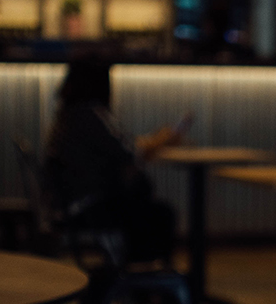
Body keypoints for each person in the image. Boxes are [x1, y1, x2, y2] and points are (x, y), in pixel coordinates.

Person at [44, 60, 186, 265]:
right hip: (91, 205)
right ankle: (140, 279)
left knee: (149, 202)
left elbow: (119, 148)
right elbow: (129, 153)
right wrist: (164, 140)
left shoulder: (69, 115)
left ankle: (138, 279)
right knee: (161, 214)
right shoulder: (90, 113)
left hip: (73, 202)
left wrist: (151, 143)